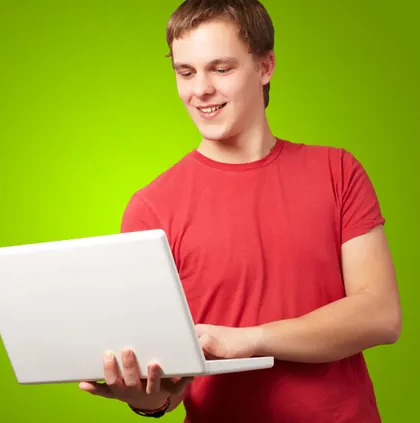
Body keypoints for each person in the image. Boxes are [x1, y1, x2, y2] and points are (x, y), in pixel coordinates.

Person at [79, 0, 402, 421]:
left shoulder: (337, 171)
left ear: (265, 67)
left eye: (221, 69)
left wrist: (250, 340)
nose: (200, 90)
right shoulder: (151, 207)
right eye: (186, 72)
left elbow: (379, 314)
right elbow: (167, 385)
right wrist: (148, 398)